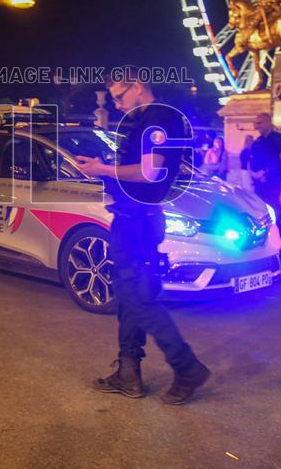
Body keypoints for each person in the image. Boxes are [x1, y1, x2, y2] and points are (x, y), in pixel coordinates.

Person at [76, 69, 210, 405]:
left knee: (137, 297)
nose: (117, 105)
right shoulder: (149, 120)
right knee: (129, 294)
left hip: (137, 220)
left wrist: (103, 170)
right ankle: (129, 372)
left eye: (120, 96)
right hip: (138, 217)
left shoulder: (158, 119)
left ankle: (186, 365)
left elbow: (149, 173)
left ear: (137, 87)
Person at [249, 113, 281, 265]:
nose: (256, 126)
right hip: (259, 185)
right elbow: (251, 162)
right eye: (255, 123)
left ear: (268, 122)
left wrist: (276, 175)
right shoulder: (257, 142)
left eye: (259, 122)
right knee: (260, 218)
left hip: (272, 184)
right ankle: (261, 252)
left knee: (275, 218)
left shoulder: (277, 138)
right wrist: (254, 174)